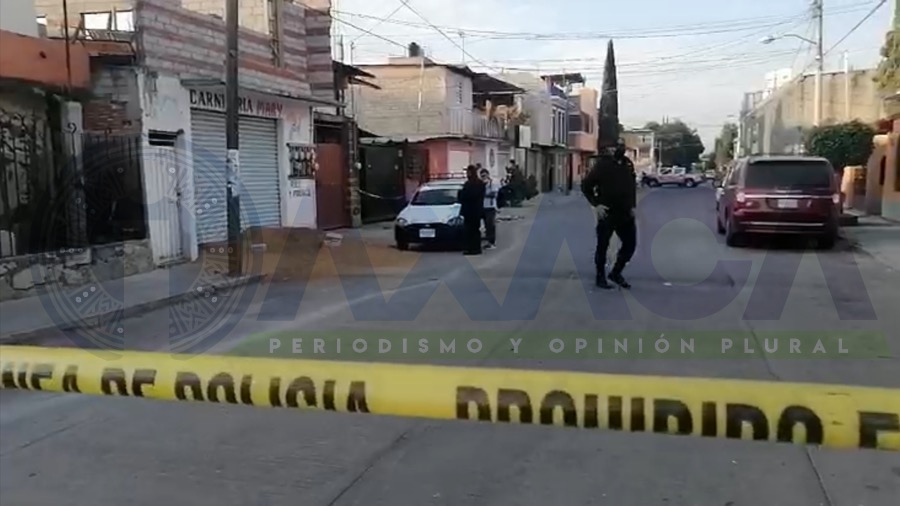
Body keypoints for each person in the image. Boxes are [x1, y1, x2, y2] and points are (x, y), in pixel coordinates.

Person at [581, 138, 637, 289]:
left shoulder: (627, 164)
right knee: (603, 245)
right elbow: (586, 186)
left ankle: (616, 272)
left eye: (622, 146)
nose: (621, 149)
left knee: (630, 244)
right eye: (617, 146)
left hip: (625, 212)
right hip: (608, 212)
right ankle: (600, 278)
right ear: (611, 149)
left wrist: (632, 206)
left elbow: (631, 186)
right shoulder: (603, 165)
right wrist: (596, 204)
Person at [458, 165, 485, 255]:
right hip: (476, 211)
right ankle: (475, 248)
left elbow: (465, 196)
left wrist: (461, 194)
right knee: (474, 230)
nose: (467, 174)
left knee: (470, 230)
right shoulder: (479, 183)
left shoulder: (470, 184)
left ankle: (472, 249)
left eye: (468, 172)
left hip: (471, 211)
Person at [479, 167, 498, 249]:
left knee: (490, 225)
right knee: (485, 226)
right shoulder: (480, 183)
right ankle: (487, 241)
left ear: (488, 175)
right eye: (482, 176)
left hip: (490, 207)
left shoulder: (492, 183)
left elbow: (493, 194)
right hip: (482, 207)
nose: (483, 177)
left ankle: (491, 242)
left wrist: (484, 194)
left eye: (484, 175)